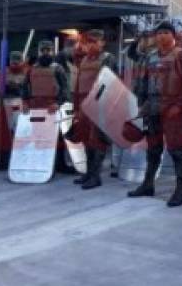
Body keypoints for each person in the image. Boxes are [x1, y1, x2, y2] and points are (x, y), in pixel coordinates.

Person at [128, 21, 182, 207]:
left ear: (173, 35)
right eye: (159, 33)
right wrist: (141, 104)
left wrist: (179, 106)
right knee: (152, 149)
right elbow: (142, 82)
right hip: (152, 109)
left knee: (177, 151)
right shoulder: (150, 57)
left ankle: (180, 191)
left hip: (173, 109)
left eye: (166, 32)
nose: (162, 36)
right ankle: (148, 184)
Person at [72, 30, 115, 190]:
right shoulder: (83, 60)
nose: (91, 45)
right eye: (89, 42)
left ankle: (95, 176)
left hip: (99, 104)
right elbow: (77, 85)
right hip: (84, 105)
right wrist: (77, 107)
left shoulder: (108, 58)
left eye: (95, 42)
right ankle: (88, 173)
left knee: (97, 141)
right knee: (85, 140)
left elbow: (108, 82)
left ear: (102, 43)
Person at [23, 41, 69, 113]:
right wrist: (25, 102)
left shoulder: (58, 69)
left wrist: (58, 103)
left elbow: (64, 88)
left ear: (52, 52)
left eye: (48, 50)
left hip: (52, 106)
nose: (45, 53)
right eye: (42, 50)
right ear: (38, 52)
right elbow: (25, 88)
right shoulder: (32, 69)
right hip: (34, 106)